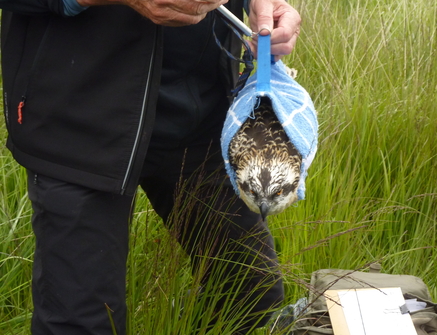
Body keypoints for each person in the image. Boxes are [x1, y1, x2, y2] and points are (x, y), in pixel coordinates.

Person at [0, 0, 301, 334]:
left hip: (201, 118)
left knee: (251, 297)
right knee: (83, 324)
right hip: (78, 124)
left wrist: (261, 4)